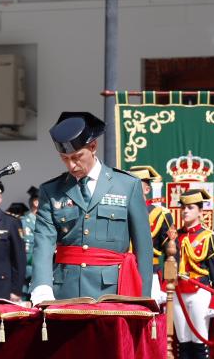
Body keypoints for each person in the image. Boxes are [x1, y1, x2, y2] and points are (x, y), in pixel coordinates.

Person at [30, 112, 154, 304]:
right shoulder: (51, 191)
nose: (71, 165)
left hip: (112, 293)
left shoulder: (127, 185)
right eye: (64, 158)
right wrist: (42, 287)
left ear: (93, 146)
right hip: (65, 293)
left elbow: (143, 247)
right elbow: (43, 243)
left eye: (77, 157)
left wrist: (145, 297)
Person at [171, 189, 214, 359]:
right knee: (183, 338)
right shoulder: (176, 236)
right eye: (183, 207)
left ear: (201, 212)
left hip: (199, 291)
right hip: (178, 291)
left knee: (199, 337)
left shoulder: (209, 237)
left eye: (190, 208)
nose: (185, 211)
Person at [129, 165, 174, 272]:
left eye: (135, 184)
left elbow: (171, 252)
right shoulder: (119, 212)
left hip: (151, 271)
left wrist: (170, 279)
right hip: (125, 272)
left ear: (147, 189)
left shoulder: (161, 214)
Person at [20, 186, 39, 300]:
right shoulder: (23, 223)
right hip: (25, 280)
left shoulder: (46, 224)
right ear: (36, 202)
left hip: (41, 280)